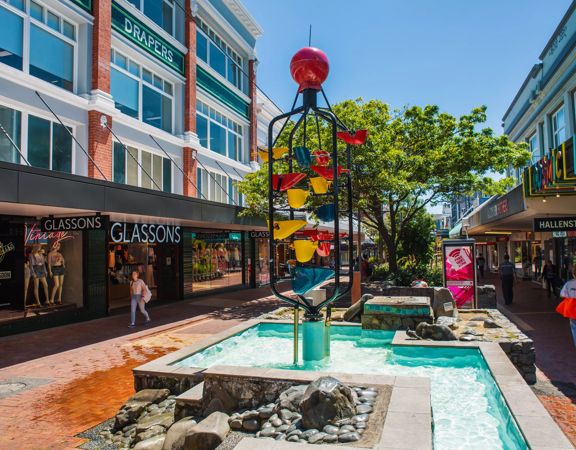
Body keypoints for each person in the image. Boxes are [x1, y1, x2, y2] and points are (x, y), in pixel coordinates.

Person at [557, 269, 576, 347]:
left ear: (573, 274)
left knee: (574, 327)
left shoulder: (569, 283)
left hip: (571, 309)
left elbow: (562, 294)